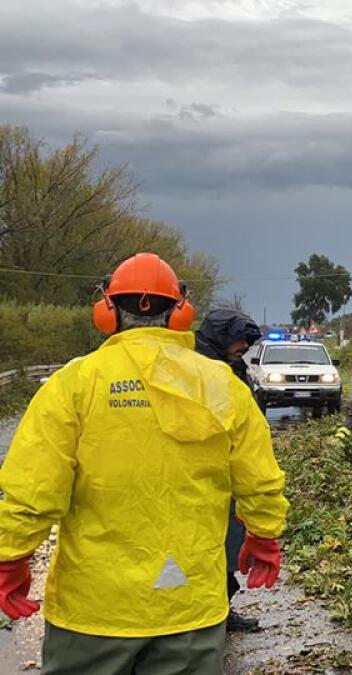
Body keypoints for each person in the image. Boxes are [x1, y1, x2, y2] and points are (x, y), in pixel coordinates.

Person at [0, 253, 289, 674]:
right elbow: (259, 481)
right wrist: (264, 536)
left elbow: (33, 491)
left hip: (93, 612)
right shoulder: (221, 385)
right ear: (181, 312)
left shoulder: (73, 385)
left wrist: (12, 557)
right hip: (190, 607)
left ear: (106, 310)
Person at [195, 308, 266, 633]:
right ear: (221, 337)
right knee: (205, 548)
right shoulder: (196, 371)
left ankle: (221, 610)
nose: (244, 349)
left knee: (228, 545)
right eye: (240, 343)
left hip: (229, 477)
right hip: (201, 479)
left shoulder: (234, 370)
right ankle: (204, 616)